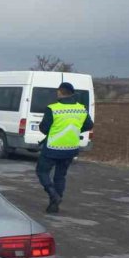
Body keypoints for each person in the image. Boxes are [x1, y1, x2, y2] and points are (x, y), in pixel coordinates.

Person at [36, 81, 93, 213]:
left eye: (58, 91)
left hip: (52, 147)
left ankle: (53, 194)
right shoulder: (81, 108)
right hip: (71, 148)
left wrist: (53, 131)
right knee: (60, 176)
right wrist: (74, 129)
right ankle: (54, 205)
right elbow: (89, 125)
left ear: (61, 92)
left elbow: (44, 128)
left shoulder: (53, 108)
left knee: (42, 171)